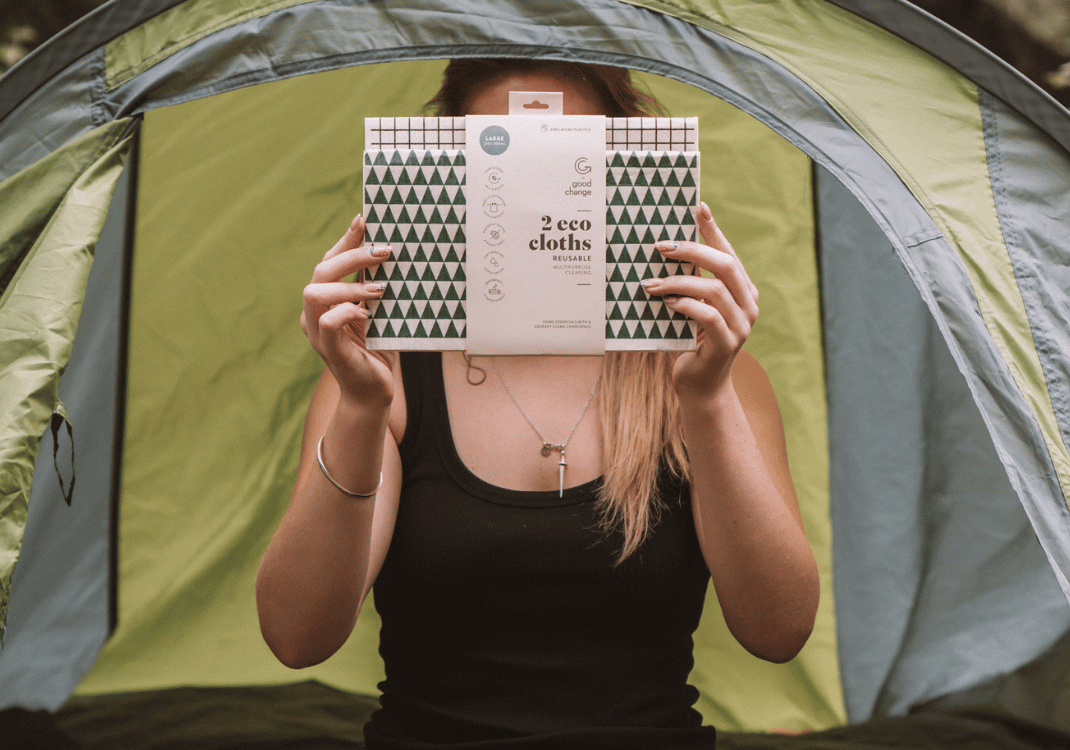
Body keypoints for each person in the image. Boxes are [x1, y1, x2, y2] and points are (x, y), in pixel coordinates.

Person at [256, 60, 820, 749]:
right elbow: (296, 636)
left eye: (565, 163)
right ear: (447, 183)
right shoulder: (384, 375)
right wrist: (359, 409)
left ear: (625, 179)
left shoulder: (710, 376)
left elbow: (779, 631)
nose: (533, 202)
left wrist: (707, 402)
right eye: (498, 163)